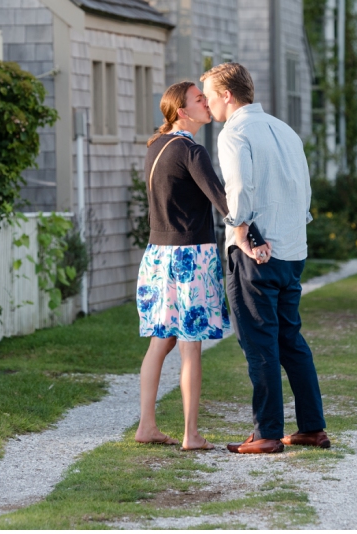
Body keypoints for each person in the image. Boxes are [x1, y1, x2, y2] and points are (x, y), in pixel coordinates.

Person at [200, 62, 330, 455]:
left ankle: (268, 433)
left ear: (227, 95)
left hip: (256, 255)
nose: (207, 104)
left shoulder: (234, 132)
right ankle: (311, 427)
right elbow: (304, 190)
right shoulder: (285, 130)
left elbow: (240, 187)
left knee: (259, 342)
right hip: (292, 251)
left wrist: (240, 232)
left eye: (209, 96)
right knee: (290, 339)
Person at [134, 80, 235, 451]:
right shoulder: (192, 151)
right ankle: (191, 434)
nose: (206, 104)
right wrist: (250, 235)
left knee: (160, 341)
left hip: (158, 256)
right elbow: (221, 199)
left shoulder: (156, 146)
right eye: (199, 100)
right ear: (182, 111)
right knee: (190, 346)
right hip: (191, 255)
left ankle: (147, 425)